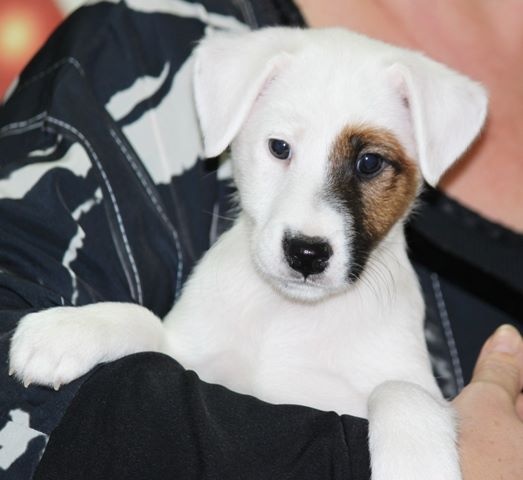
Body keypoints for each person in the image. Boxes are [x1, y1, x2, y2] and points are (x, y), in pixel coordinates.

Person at [0, 1, 521, 478]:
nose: (310, 231)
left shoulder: (391, 328)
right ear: (237, 119)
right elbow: (171, 359)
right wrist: (131, 327)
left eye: (368, 165)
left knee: (405, 402)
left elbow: (417, 417)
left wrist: (408, 412)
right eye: (280, 148)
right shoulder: (147, 32)